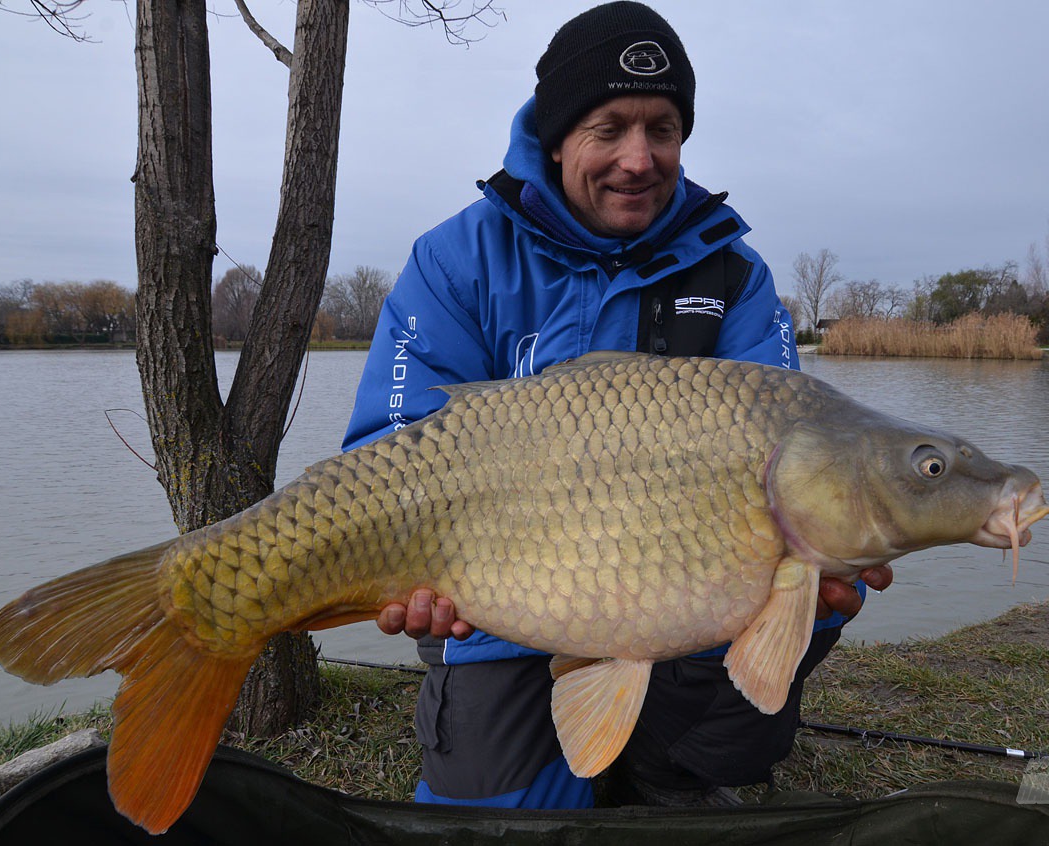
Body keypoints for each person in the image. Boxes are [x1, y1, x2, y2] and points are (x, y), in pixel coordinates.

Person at [343, 1, 893, 811]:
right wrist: (405, 573)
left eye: (662, 130)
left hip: (678, 595)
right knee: (495, 810)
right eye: (608, 128)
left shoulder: (733, 276)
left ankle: (677, 768)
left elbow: (798, 442)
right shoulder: (456, 259)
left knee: (810, 579)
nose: (639, 159)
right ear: (558, 137)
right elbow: (387, 448)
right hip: (501, 609)